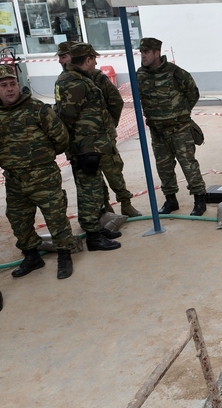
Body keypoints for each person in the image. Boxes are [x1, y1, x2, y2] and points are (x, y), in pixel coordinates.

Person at [0, 64, 76, 278]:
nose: (9, 89)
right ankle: (32, 256)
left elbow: (61, 138)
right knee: (18, 220)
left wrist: (42, 158)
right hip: (15, 179)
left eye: (12, 84)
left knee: (56, 217)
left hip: (44, 176)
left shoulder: (37, 109)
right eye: (4, 85)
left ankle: (64, 255)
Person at [55, 41, 142, 218]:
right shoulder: (67, 81)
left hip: (102, 139)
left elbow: (115, 101)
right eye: (60, 57)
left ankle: (125, 204)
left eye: (64, 56)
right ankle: (105, 210)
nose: (61, 61)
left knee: (114, 172)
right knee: (92, 178)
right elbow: (65, 114)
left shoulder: (94, 77)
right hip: (82, 144)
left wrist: (109, 125)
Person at [54, 43, 122, 251]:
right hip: (84, 148)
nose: (96, 63)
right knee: (89, 192)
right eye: (94, 59)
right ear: (88, 60)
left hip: (92, 146)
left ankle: (97, 228)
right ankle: (93, 234)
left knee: (95, 188)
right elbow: (66, 117)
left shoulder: (79, 79)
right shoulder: (74, 82)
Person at [136, 38, 207, 216]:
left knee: (188, 165)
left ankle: (199, 199)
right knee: (164, 168)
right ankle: (171, 200)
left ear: (157, 53)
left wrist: (181, 113)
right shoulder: (140, 75)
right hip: (157, 131)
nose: (143, 55)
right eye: (141, 52)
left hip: (179, 130)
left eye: (146, 52)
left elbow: (193, 93)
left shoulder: (176, 73)